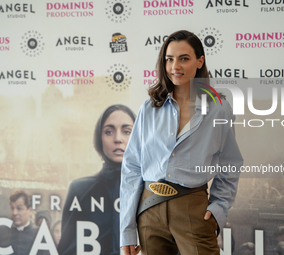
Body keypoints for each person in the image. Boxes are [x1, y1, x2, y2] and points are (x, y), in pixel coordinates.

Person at [120, 30, 243, 255]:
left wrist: (219, 208)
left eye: (184, 58)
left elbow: (231, 163)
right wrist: (126, 230)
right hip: (149, 210)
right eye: (169, 59)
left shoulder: (219, 109)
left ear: (199, 61)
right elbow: (132, 168)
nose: (175, 66)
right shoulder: (149, 109)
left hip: (193, 208)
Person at [57, 104, 135, 255]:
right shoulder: (79, 189)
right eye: (109, 131)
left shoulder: (152, 188)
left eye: (127, 131)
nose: (118, 139)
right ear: (99, 138)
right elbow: (67, 250)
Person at [0, 190, 45, 255]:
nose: (14, 213)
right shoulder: (2, 232)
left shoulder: (39, 235)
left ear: (30, 210)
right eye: (12, 208)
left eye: (19, 208)